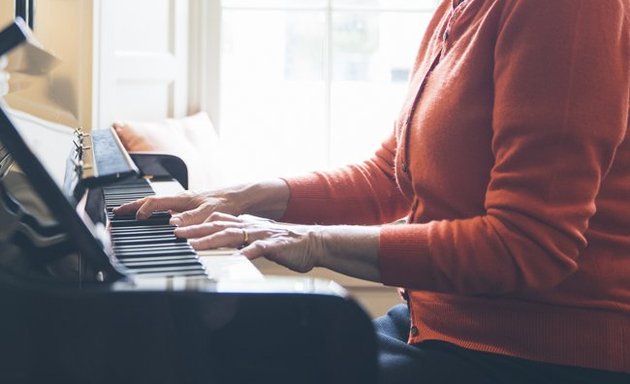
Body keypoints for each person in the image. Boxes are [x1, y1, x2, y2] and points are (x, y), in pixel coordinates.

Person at [114, 0, 630, 382]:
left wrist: (309, 241)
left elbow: (527, 245)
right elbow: (391, 175)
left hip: (535, 351)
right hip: (438, 327)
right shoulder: (459, 9)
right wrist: (245, 196)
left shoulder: (568, 10)